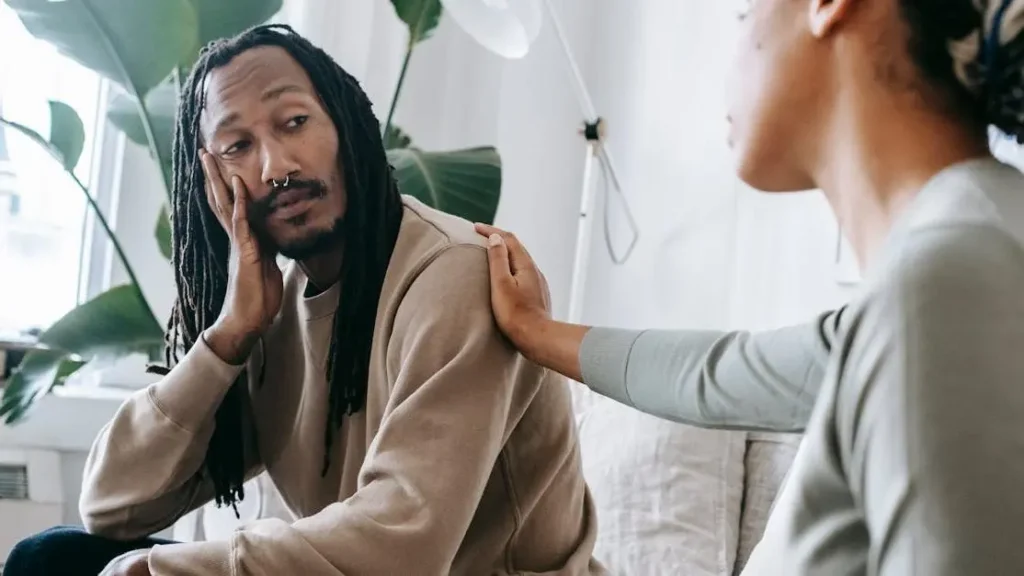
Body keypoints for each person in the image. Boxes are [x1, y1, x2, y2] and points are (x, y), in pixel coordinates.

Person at [4, 24, 602, 576]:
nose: (277, 166)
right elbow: (112, 505)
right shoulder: (271, 310)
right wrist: (227, 336)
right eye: (237, 145)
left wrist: (152, 573)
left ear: (344, 124)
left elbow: (403, 546)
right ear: (212, 181)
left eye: (294, 122)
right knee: (50, 560)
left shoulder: (457, 274)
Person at [477, 1, 1024, 574]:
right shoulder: (953, 266)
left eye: (743, 15)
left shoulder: (946, 289)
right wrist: (535, 331)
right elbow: (718, 374)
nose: (732, 56)